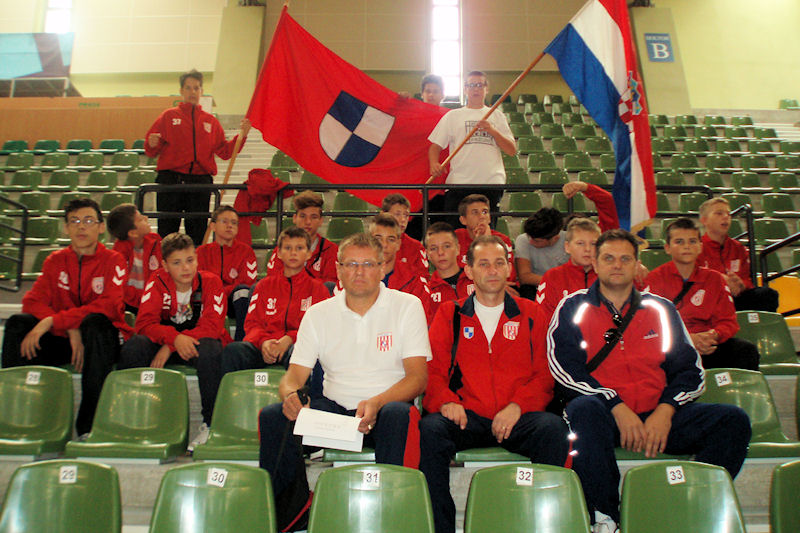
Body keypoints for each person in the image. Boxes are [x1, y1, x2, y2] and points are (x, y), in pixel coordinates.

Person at [547, 229, 751, 533]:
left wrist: (666, 410)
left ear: (637, 265)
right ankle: (605, 518)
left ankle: (690, 505)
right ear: (597, 263)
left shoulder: (661, 309)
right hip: (605, 419)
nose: (617, 265)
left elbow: (691, 371)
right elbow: (564, 370)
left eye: (625, 259)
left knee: (733, 420)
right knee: (582, 411)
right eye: (609, 258)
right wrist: (616, 406)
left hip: (658, 418)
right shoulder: (572, 308)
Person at [258, 233, 431, 531]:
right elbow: (294, 377)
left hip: (385, 412)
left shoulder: (407, 306)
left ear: (382, 267)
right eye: (351, 264)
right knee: (274, 416)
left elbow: (418, 378)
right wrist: (291, 396)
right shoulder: (318, 314)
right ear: (338, 269)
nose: (359, 272)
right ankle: (292, 515)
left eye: (368, 264)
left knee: (401, 415)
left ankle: (395, 514)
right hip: (334, 417)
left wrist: (377, 402)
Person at [420, 235, 569, 533]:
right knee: (430, 430)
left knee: (553, 430)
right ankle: (441, 527)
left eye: (499, 263)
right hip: (468, 417)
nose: (492, 270)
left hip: (517, 417)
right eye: (484, 264)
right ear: (469, 270)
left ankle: (543, 523)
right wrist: (446, 401)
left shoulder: (531, 313)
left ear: (509, 268)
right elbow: (432, 370)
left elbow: (544, 374)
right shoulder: (450, 313)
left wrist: (518, 406)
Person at [2, 198, 129, 436]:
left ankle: (89, 428)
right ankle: (12, 418)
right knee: (18, 323)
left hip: (100, 343)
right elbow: (32, 301)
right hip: (65, 340)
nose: (81, 226)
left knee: (95, 323)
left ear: (101, 227)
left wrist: (54, 321)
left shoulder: (114, 260)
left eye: (88, 221)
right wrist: (69, 329)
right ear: (66, 228)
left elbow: (109, 306)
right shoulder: (55, 261)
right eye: (74, 221)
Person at [117, 232, 226, 451]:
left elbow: (213, 326)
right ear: (165, 265)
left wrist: (170, 346)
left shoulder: (211, 281)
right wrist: (174, 338)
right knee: (135, 346)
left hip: (193, 344)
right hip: (166, 341)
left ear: (197, 259)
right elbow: (144, 324)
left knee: (212, 350)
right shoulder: (156, 281)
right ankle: (129, 421)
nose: (186, 268)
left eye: (190, 260)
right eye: (177, 263)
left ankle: (210, 425)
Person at [145, 68, 250, 245]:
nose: (192, 92)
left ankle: (196, 262)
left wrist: (242, 136)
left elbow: (225, 152)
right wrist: (151, 143)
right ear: (181, 91)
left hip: (200, 183)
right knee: (167, 232)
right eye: (188, 88)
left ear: (201, 91)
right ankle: (165, 263)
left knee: (198, 232)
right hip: (171, 181)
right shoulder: (168, 116)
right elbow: (151, 150)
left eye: (196, 88)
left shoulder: (211, 121)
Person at [644, 218, 759, 370]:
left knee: (745, 350)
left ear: (700, 246)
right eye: (679, 242)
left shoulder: (715, 279)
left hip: (707, 343)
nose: (686, 246)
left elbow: (728, 321)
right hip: (673, 345)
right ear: (667, 248)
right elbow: (651, 325)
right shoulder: (655, 279)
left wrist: (713, 335)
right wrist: (687, 339)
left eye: (692, 241)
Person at [221, 227, 330, 373]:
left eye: (299, 248)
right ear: (278, 253)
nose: (293, 253)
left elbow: (318, 329)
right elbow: (252, 324)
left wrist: (290, 339)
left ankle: (296, 389)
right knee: (233, 351)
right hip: (265, 345)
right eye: (288, 248)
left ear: (309, 253)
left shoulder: (318, 289)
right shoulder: (263, 286)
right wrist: (264, 342)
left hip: (296, 346)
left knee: (303, 353)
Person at [428, 70, 516, 225]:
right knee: (457, 231)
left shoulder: (497, 116)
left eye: (480, 85)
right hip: (459, 183)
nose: (476, 89)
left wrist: (492, 131)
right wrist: (434, 163)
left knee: (485, 232)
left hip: (491, 182)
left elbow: (511, 150)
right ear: (465, 89)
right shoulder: (453, 116)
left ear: (486, 89)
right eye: (471, 85)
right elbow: (435, 146)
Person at [697, 197, 778, 311]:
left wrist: (741, 284)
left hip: (735, 297)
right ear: (704, 220)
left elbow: (747, 281)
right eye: (719, 213)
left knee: (768, 294)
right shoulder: (696, 247)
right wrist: (721, 281)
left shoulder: (738, 248)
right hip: (711, 299)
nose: (726, 217)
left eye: (728, 214)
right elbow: (693, 279)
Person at [196, 206, 258, 341]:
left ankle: (242, 341)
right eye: (224, 221)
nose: (230, 225)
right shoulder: (201, 252)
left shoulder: (246, 251)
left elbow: (248, 282)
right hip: (209, 300)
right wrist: (216, 292)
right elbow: (198, 281)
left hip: (232, 302)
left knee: (243, 291)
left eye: (234, 223)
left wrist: (223, 291)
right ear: (213, 226)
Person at [369, 213, 434, 323]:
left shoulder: (415, 280)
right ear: (369, 241)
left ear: (398, 244)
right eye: (378, 238)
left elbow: (423, 321)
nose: (384, 245)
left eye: (391, 239)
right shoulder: (356, 276)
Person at [535, 217, 601, 323]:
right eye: (580, 243)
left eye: (593, 244)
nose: (587, 249)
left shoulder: (607, 276)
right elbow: (542, 319)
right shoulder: (552, 277)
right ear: (567, 247)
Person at [265, 191, 338, 284]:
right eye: (303, 216)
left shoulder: (331, 250)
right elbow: (273, 281)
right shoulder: (283, 248)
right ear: (295, 218)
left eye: (314, 217)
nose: (308, 222)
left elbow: (330, 285)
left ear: (321, 221)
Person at [107, 203, 162, 313]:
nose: (146, 218)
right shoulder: (118, 253)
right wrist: (143, 297)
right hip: (128, 302)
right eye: (141, 219)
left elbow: (161, 272)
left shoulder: (155, 240)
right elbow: (120, 285)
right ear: (133, 233)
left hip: (153, 299)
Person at [453, 194, 516, 284]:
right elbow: (454, 275)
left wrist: (488, 241)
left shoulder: (503, 240)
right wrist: (478, 244)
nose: (482, 216)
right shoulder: (455, 238)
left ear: (489, 218)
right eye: (475, 212)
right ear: (463, 220)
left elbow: (509, 276)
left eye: (485, 212)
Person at [515, 207, 567, 300]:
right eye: (529, 237)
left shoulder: (570, 241)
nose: (530, 242)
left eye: (536, 241)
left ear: (555, 238)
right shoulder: (523, 239)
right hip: (535, 288)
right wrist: (556, 282)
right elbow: (524, 277)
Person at [425, 222, 474, 316]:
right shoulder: (426, 291)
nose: (440, 252)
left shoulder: (476, 279)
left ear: (458, 248)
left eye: (446, 246)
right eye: (434, 248)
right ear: (427, 254)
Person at [380, 193, 428, 272]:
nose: (403, 219)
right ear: (383, 215)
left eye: (406, 215)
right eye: (397, 214)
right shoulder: (371, 244)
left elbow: (423, 275)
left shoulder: (416, 247)